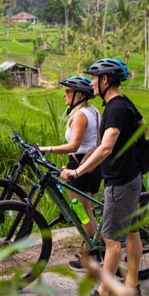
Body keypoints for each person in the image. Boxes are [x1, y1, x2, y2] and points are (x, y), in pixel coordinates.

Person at [60, 58, 145, 296]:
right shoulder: (124, 103)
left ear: (105, 80)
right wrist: (133, 155)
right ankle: (131, 285)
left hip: (120, 181)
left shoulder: (115, 109)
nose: (91, 84)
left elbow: (105, 147)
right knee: (131, 231)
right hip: (130, 176)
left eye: (94, 79)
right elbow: (143, 129)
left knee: (110, 240)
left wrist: (78, 170)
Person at [39, 76, 102, 270]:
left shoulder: (81, 115)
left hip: (80, 167)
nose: (64, 94)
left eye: (68, 91)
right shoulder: (93, 111)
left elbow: (74, 145)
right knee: (87, 211)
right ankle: (93, 251)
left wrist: (46, 149)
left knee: (81, 212)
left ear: (79, 94)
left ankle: (94, 255)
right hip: (91, 166)